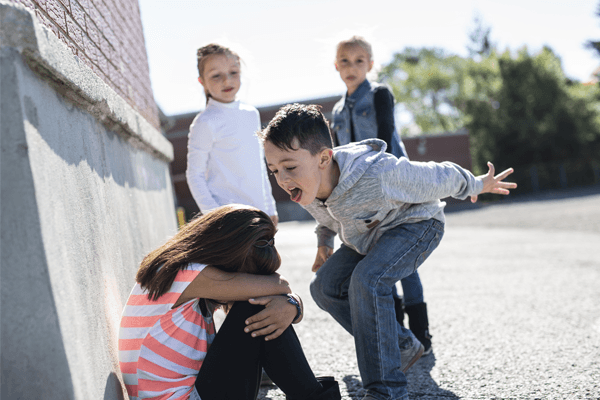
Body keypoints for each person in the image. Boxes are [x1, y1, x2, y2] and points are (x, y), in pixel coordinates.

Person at [259, 104, 516, 400]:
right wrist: (323, 245)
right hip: (368, 236)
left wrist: (477, 183)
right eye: (274, 170)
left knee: (367, 280)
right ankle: (402, 346)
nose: (282, 178)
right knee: (324, 287)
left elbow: (436, 176)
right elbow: (327, 217)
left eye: (289, 167)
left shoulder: (377, 174)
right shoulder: (306, 185)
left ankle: (387, 390)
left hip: (417, 225)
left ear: (323, 158)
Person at [118, 204, 341, 400]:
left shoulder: (181, 272)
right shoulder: (187, 274)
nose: (245, 283)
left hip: (191, 392)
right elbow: (280, 286)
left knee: (261, 306)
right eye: (246, 275)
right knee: (255, 305)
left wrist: (292, 305)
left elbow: (281, 292)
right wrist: (290, 302)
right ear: (228, 252)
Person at [330, 36, 430, 353]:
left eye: (359, 60)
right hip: (361, 196)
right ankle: (399, 335)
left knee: (404, 262)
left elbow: (385, 137)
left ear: (370, 64)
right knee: (378, 259)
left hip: (394, 187)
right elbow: (338, 155)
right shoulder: (336, 110)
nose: (352, 67)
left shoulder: (379, 95)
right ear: (336, 66)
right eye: (345, 61)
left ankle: (421, 333)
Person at [186, 43, 278, 226]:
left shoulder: (251, 114)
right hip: (228, 219)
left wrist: (270, 208)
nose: (226, 81)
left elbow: (259, 166)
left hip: (260, 214)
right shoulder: (205, 122)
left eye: (233, 72)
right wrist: (215, 215)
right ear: (202, 82)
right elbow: (194, 175)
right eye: (216, 75)